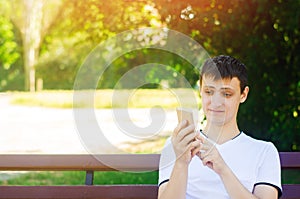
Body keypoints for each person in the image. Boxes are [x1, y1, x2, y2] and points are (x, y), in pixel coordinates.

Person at [158, 55, 282, 199]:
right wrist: (181, 163)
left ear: (243, 94)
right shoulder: (176, 146)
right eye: (209, 92)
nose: (216, 102)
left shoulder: (264, 152)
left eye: (226, 94)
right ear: (200, 91)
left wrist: (222, 169)